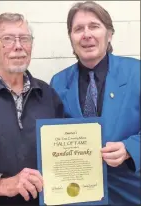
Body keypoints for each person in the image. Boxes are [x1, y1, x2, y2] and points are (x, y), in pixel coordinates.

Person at [0, 13, 64, 206]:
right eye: (7, 39)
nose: (18, 46)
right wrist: (0, 185)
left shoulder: (48, 95)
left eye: (24, 39)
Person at [50, 1, 140, 205]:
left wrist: (129, 148)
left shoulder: (137, 73)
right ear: (71, 38)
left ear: (109, 34)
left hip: (130, 193)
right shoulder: (58, 82)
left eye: (94, 26)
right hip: (78, 195)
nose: (86, 34)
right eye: (78, 29)